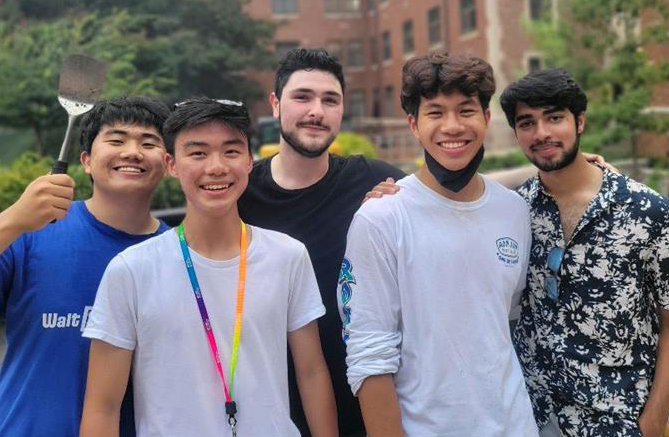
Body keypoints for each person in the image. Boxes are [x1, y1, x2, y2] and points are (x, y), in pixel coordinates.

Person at [80, 97, 338, 437]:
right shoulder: (130, 270)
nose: (216, 167)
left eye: (231, 151)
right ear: (172, 164)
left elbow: (311, 373)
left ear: (249, 160)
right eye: (198, 153)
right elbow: (102, 405)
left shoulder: (288, 256)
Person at [338, 51, 539, 436]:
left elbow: (503, 322)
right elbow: (368, 355)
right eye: (435, 112)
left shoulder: (513, 211)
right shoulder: (381, 218)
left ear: (486, 117)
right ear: (413, 124)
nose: (452, 126)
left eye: (465, 110)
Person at [238, 47, 404, 437]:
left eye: (330, 100)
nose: (317, 111)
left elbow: (446, 197)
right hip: (272, 409)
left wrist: (563, 177)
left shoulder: (373, 181)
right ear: (276, 104)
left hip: (368, 404)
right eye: (302, 97)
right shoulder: (240, 195)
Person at [500, 68, 669, 437]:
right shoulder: (514, 212)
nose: (541, 133)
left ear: (580, 122)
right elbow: (458, 198)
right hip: (535, 414)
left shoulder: (647, 211)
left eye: (554, 118)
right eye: (527, 122)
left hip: (619, 415)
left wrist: (657, 414)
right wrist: (396, 192)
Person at [0, 96, 171, 436]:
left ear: (168, 164)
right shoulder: (32, 231)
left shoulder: (178, 257)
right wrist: (10, 221)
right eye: (117, 140)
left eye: (148, 142)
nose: (132, 151)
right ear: (87, 161)